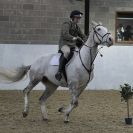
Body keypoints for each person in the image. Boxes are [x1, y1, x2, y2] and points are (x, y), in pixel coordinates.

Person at [55, 10, 86, 81]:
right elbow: (65, 34)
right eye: (77, 18)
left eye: (79, 18)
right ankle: (59, 72)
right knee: (67, 52)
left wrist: (87, 39)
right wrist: (75, 38)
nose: (78, 19)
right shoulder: (66, 24)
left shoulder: (77, 27)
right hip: (64, 44)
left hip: (72, 45)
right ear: (72, 17)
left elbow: (82, 35)